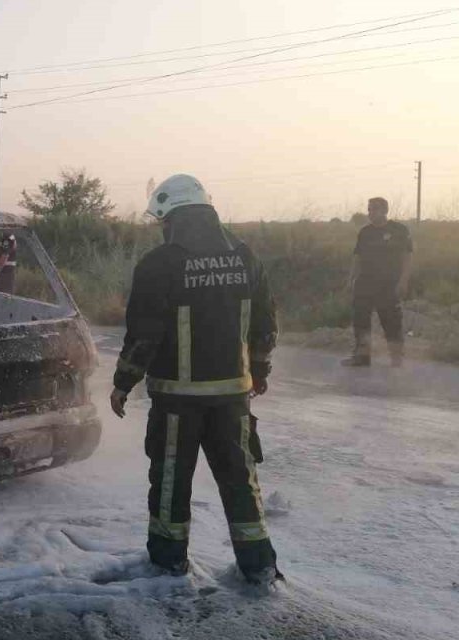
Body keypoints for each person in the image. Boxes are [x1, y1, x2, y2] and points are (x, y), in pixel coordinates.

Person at [108, 174, 282, 587]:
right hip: (233, 398)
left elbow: (144, 334)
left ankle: (169, 566)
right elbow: (266, 325)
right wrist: (259, 371)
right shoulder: (245, 257)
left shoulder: (160, 264)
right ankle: (259, 567)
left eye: (161, 220)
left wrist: (123, 382)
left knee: (171, 483)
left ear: (170, 216)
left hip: (176, 401)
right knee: (241, 481)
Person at [343, 197, 413, 368]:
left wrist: (404, 280)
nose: (370, 213)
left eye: (374, 210)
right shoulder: (365, 232)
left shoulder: (399, 230)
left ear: (384, 211)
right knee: (361, 321)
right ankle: (362, 357)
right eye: (369, 210)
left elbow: (407, 257)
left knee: (391, 321)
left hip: (388, 284)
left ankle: (397, 358)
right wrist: (350, 279)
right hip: (365, 283)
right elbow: (357, 257)